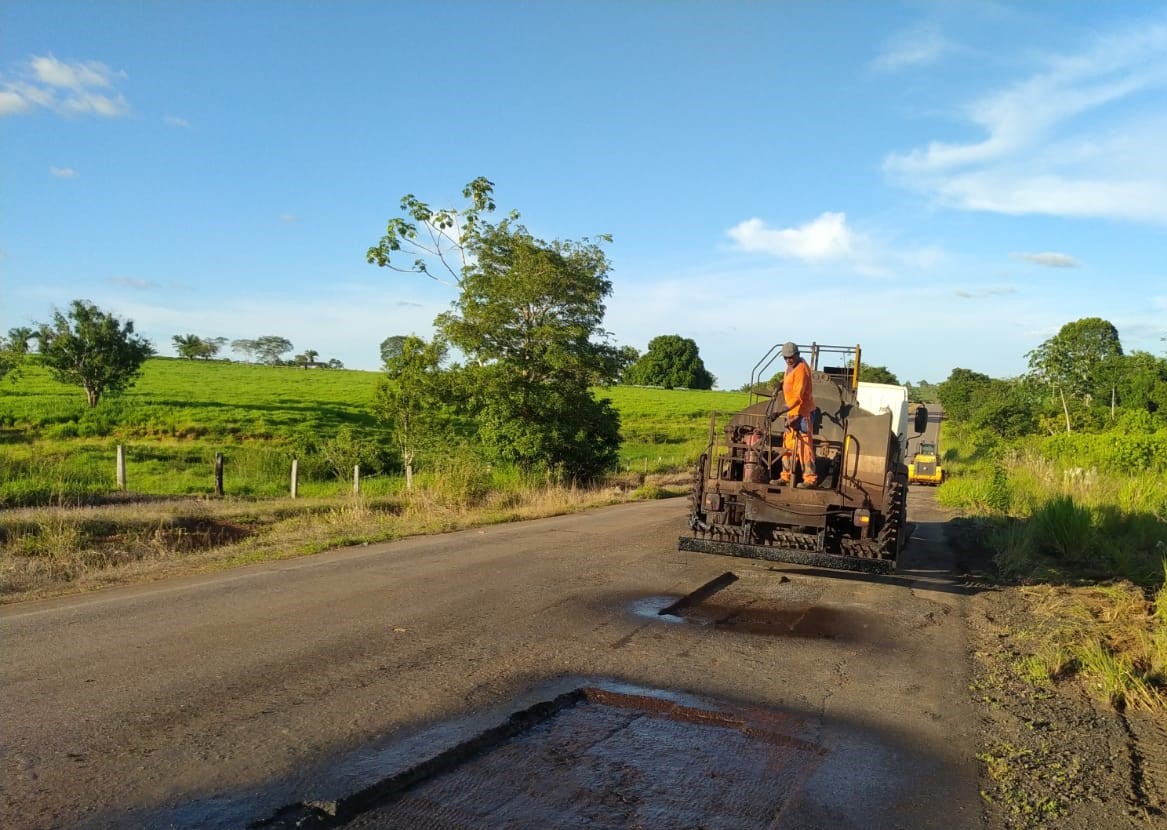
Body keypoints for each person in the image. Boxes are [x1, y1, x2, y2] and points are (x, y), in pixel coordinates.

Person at [768, 341, 817, 487]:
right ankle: (785, 477)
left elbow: (797, 397)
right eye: (786, 358)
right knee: (788, 445)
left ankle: (810, 479)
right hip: (791, 413)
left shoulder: (801, 369)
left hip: (803, 413)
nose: (789, 360)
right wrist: (780, 383)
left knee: (804, 446)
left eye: (791, 357)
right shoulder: (790, 367)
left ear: (798, 355)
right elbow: (790, 380)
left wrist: (778, 412)